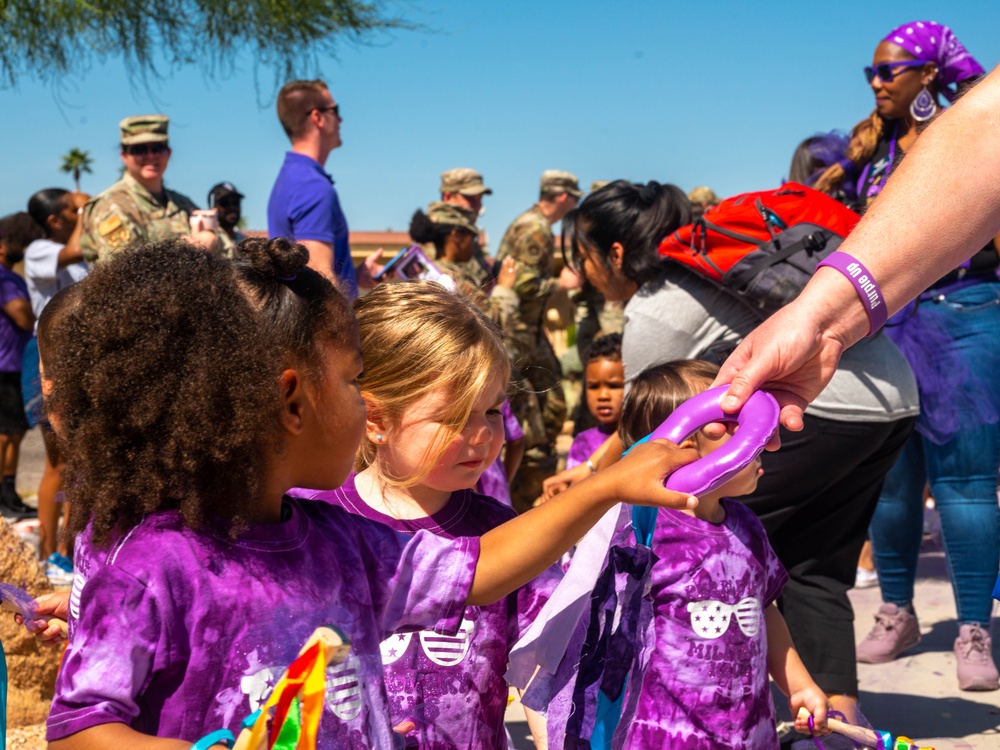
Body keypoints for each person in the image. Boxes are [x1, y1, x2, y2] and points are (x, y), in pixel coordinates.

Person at [43, 237, 699, 746]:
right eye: (356, 380)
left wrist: (606, 487)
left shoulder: (346, 546)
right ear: (294, 402)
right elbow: (80, 728)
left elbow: (483, 568)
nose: (367, 404)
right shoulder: (154, 565)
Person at [549, 181, 918, 719]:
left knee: (724, 552)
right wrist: (587, 467)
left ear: (616, 253)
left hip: (817, 406)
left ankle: (694, 698)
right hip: (893, 402)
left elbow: (649, 435)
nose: (583, 273)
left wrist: (589, 488)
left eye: (584, 258)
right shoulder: (696, 275)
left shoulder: (655, 309)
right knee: (815, 567)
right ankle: (838, 719)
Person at [809, 22, 999, 690]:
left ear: (930, 74)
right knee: (888, 480)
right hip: (886, 324)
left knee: (966, 484)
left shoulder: (973, 144)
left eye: (891, 71)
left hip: (965, 320)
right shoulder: (866, 152)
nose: (878, 82)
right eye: (872, 73)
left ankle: (974, 628)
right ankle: (897, 611)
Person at [293, 281, 558, 748]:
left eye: (493, 411)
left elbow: (544, 675)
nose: (481, 435)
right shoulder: (311, 526)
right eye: (454, 417)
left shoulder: (504, 536)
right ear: (375, 419)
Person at [612, 359, 826, 749]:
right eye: (737, 425)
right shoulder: (642, 534)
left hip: (750, 731)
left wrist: (799, 684)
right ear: (687, 444)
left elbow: (763, 609)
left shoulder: (746, 525)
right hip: (667, 735)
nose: (761, 438)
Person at [496, 170, 584, 512]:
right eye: (574, 198)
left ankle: (529, 486)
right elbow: (523, 285)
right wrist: (560, 284)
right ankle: (525, 495)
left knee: (550, 405)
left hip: (528, 332)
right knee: (541, 410)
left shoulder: (531, 224)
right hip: (520, 334)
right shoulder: (536, 228)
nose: (575, 205)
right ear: (562, 197)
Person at [24, 188, 90, 575]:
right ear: (55, 220)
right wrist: (87, 211)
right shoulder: (40, 250)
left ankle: (68, 550)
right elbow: (75, 251)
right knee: (59, 464)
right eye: (71, 209)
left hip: (79, 355)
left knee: (81, 462)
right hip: (46, 356)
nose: (80, 211)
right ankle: (50, 554)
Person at [268, 79, 380, 298]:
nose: (341, 119)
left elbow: (301, 273)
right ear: (317, 117)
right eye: (335, 110)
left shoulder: (291, 178)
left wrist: (354, 276)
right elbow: (320, 281)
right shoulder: (312, 187)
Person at [78, 115, 223, 264]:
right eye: (139, 149)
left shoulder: (182, 204)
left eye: (157, 148)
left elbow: (230, 254)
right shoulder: (111, 205)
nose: (150, 155)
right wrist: (193, 246)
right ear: (124, 155)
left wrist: (212, 235)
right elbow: (124, 272)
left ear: (169, 153)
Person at [408, 201, 519, 328]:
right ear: (456, 236)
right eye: (472, 237)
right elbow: (490, 323)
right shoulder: (453, 280)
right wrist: (505, 287)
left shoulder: (429, 270)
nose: (474, 244)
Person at [0, 213, 38, 519]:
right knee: (4, 435)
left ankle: (10, 493)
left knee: (14, 434)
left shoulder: (12, 277)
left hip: (13, 365)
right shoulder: (3, 278)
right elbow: (24, 317)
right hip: (4, 366)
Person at [566, 333, 624, 470]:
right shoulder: (582, 442)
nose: (603, 396)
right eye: (593, 387)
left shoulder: (643, 438)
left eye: (614, 386)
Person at [207, 181, 246, 247]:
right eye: (225, 203)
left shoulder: (244, 242)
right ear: (212, 208)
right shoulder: (207, 240)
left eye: (236, 202)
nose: (232, 207)